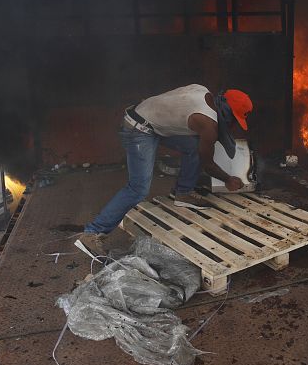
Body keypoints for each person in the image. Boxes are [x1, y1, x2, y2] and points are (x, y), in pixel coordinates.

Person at [76, 84, 253, 256]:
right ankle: (93, 232)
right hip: (137, 128)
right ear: (226, 113)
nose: (232, 124)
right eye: (233, 119)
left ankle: (183, 193)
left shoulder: (201, 90)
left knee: (194, 147)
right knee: (138, 189)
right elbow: (208, 164)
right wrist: (228, 179)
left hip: (150, 121)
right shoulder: (207, 123)